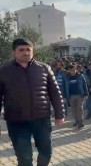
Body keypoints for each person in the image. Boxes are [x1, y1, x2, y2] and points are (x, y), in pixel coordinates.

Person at [0, 38, 65, 166]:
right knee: (24, 158)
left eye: (28, 50)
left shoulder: (44, 68)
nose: (26, 53)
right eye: (21, 50)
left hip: (41, 120)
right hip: (16, 121)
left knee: (46, 151)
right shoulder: (4, 71)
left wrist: (60, 114)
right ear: (14, 53)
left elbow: (55, 93)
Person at [66, 64, 89, 129]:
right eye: (71, 70)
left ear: (76, 69)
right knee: (73, 109)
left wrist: (86, 94)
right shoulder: (67, 76)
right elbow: (65, 86)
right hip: (71, 95)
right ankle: (76, 120)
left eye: (73, 70)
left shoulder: (80, 76)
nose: (72, 72)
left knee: (79, 108)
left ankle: (80, 122)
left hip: (80, 95)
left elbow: (84, 85)